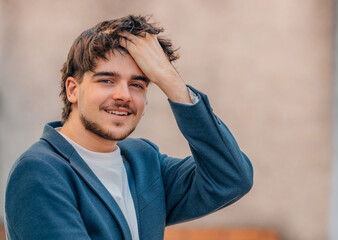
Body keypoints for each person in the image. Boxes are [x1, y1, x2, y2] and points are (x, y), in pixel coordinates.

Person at [4, 15, 253, 240]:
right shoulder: (40, 172)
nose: (123, 95)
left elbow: (231, 178)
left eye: (137, 84)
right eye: (107, 80)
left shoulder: (144, 162)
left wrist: (171, 81)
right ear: (73, 89)